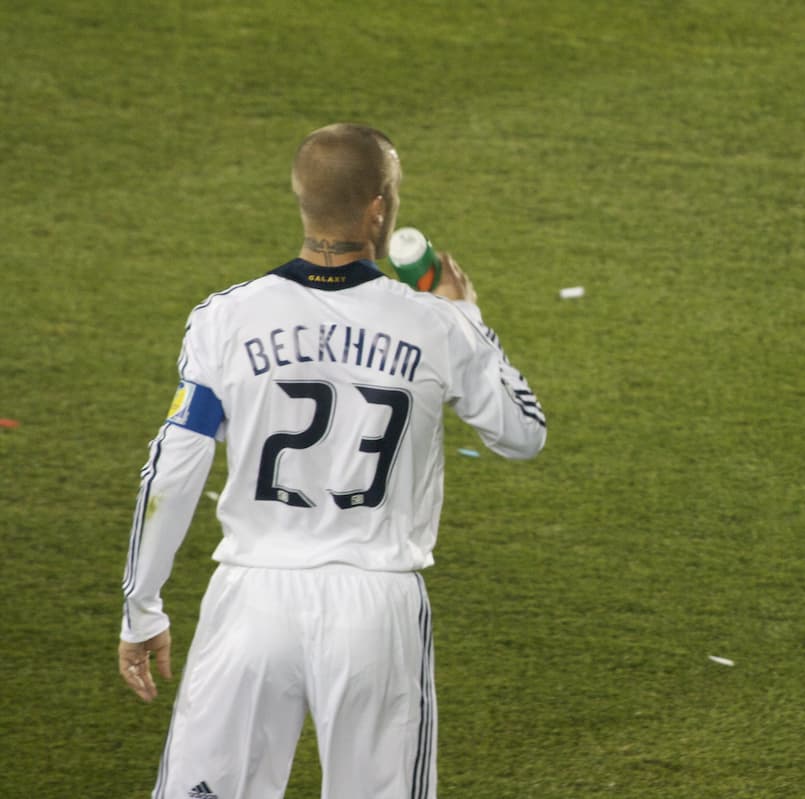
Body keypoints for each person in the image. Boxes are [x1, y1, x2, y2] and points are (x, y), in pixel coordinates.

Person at [117, 123, 546, 799]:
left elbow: (172, 469)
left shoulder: (225, 319)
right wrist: (470, 319)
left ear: (301, 198)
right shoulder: (434, 325)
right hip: (376, 610)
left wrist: (141, 607)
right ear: (378, 207)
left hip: (252, 599)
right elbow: (523, 433)